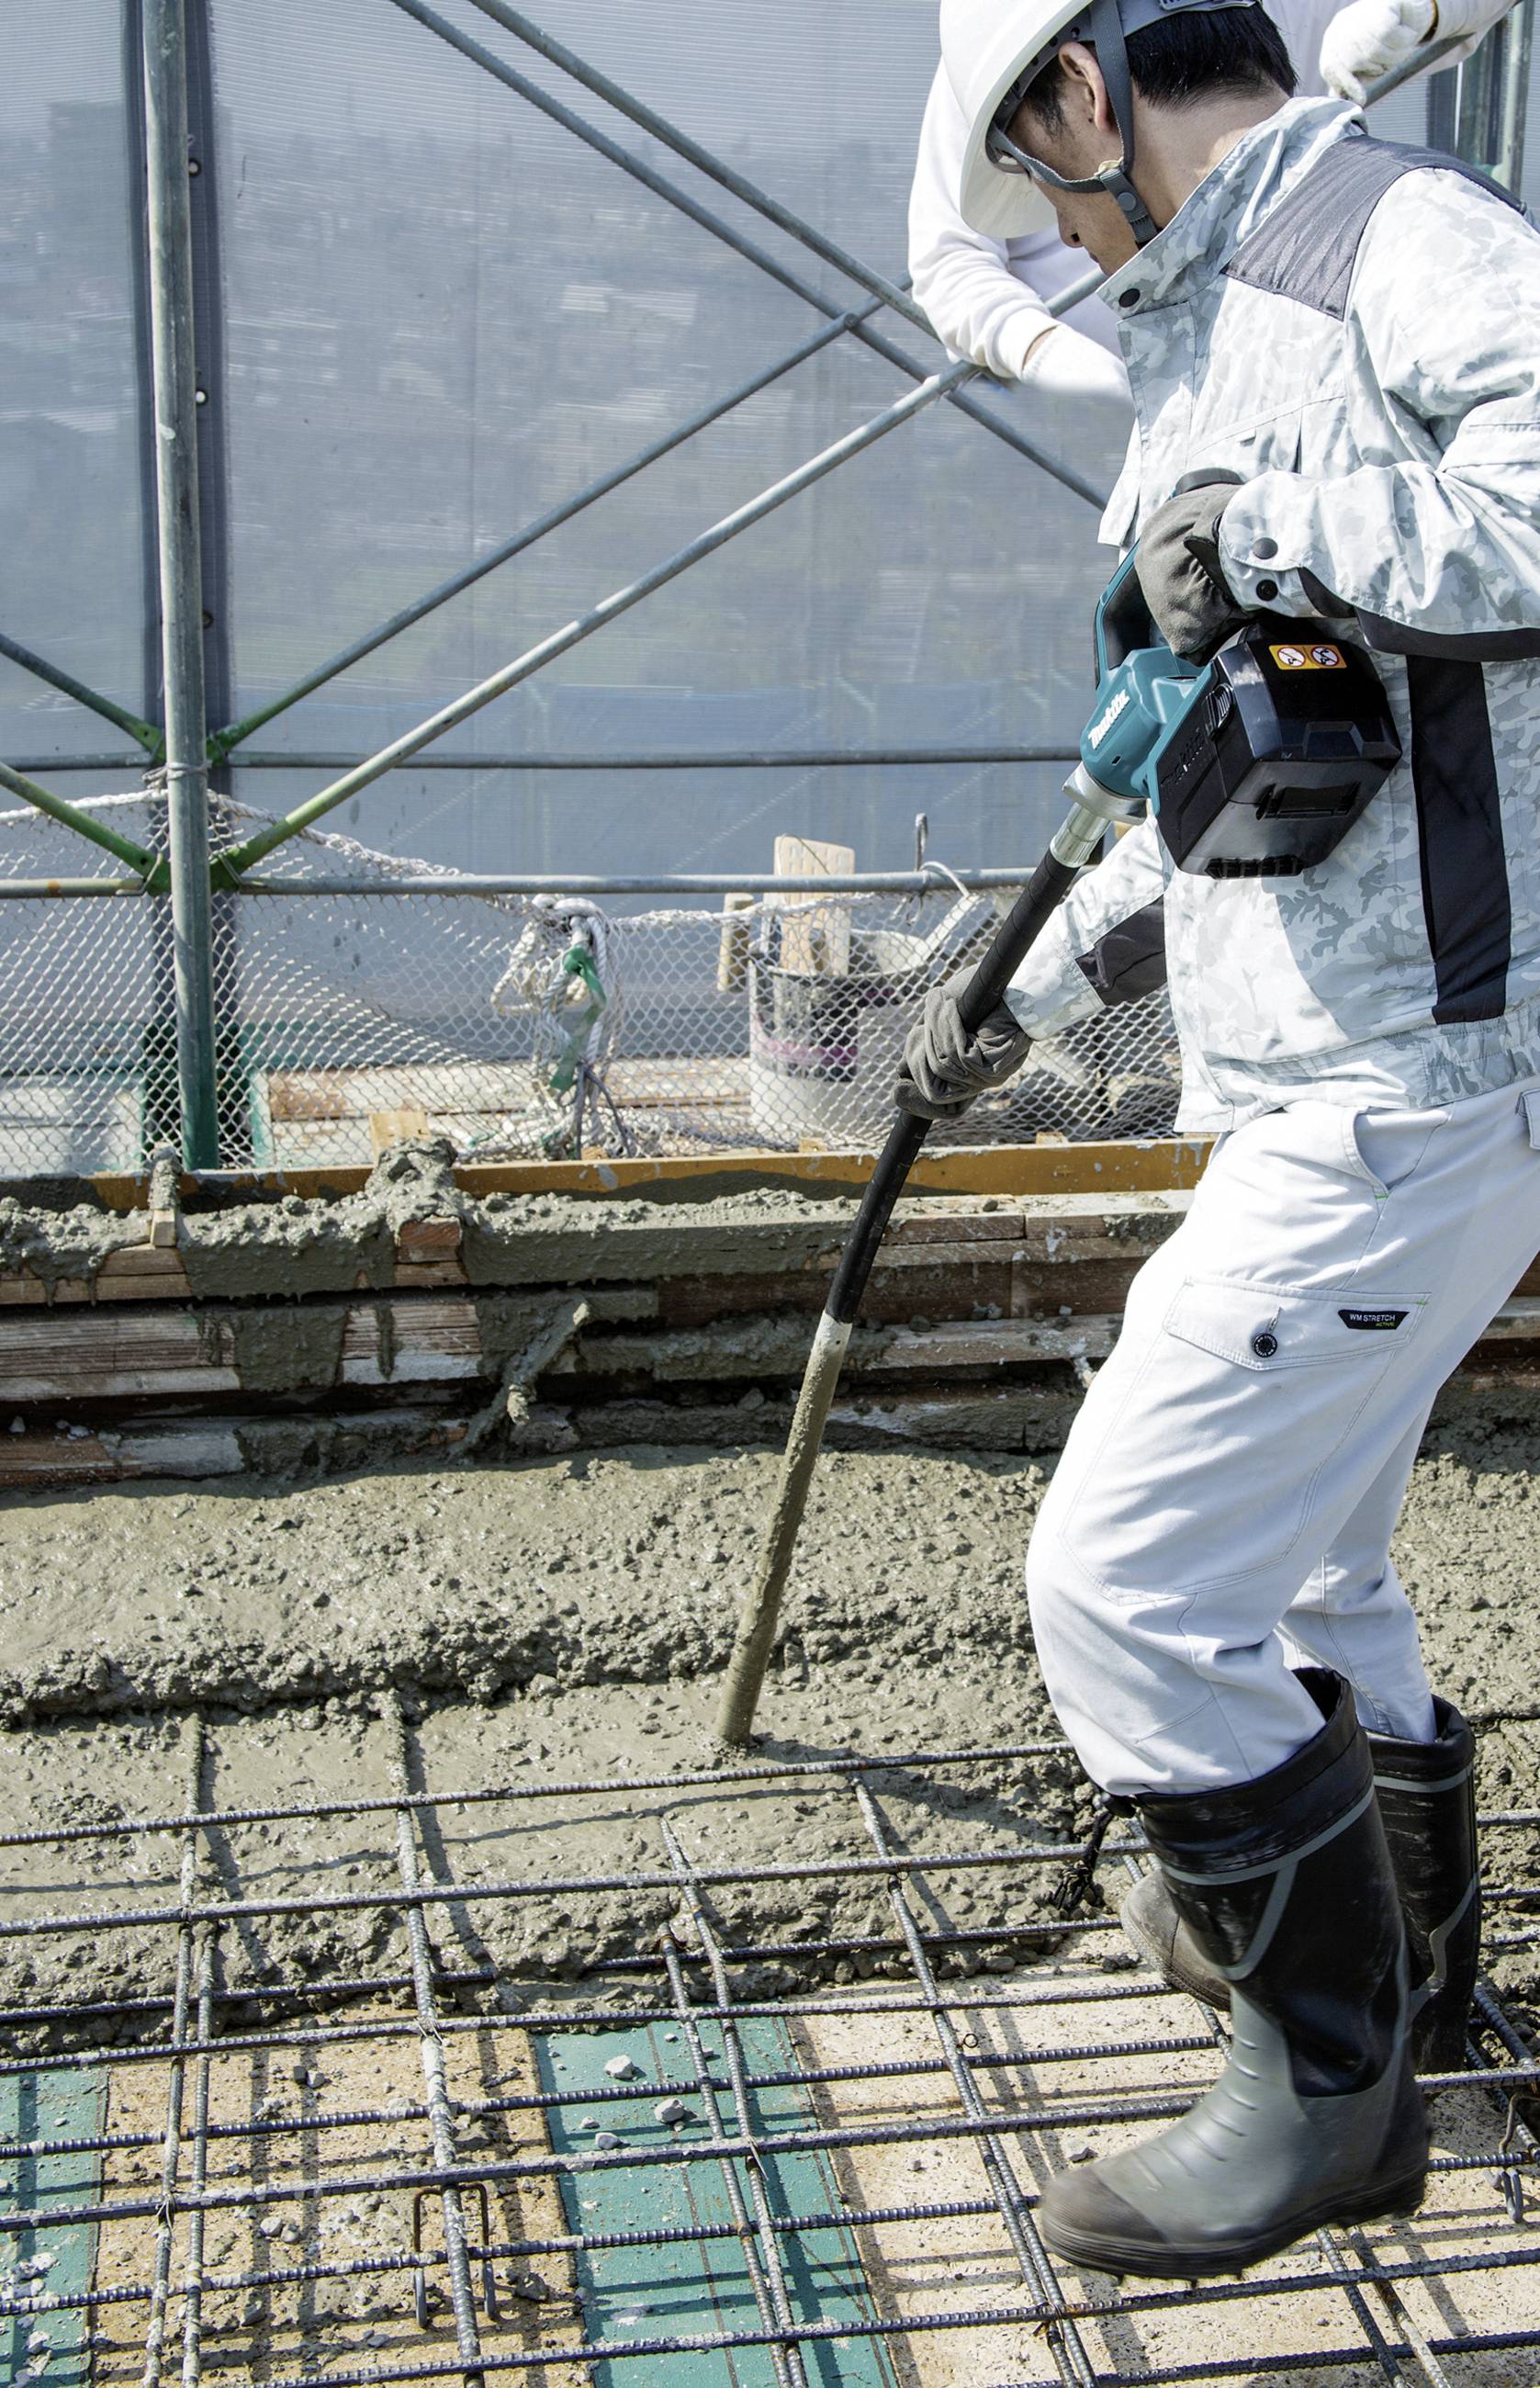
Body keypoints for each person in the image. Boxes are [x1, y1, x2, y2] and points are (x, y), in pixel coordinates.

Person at [895, 0, 1540, 2281]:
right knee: (1305, 1578)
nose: (1062, 241)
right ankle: (1410, 1995)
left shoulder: (1389, 237)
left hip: (1407, 1083)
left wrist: (1262, 521)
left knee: (1124, 1586)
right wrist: (1026, 983)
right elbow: (1234, 752)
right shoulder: (1209, 329)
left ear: (1082, 94)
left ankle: (1322, 2087)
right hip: (1338, 1067)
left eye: (1045, 186)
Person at [909, 0, 1514, 405]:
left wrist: (1422, 10)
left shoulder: (1429, 249)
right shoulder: (1007, 37)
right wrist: (1050, 358)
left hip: (1277, 327)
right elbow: (949, 259)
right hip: (1128, 406)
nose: (1066, 230)